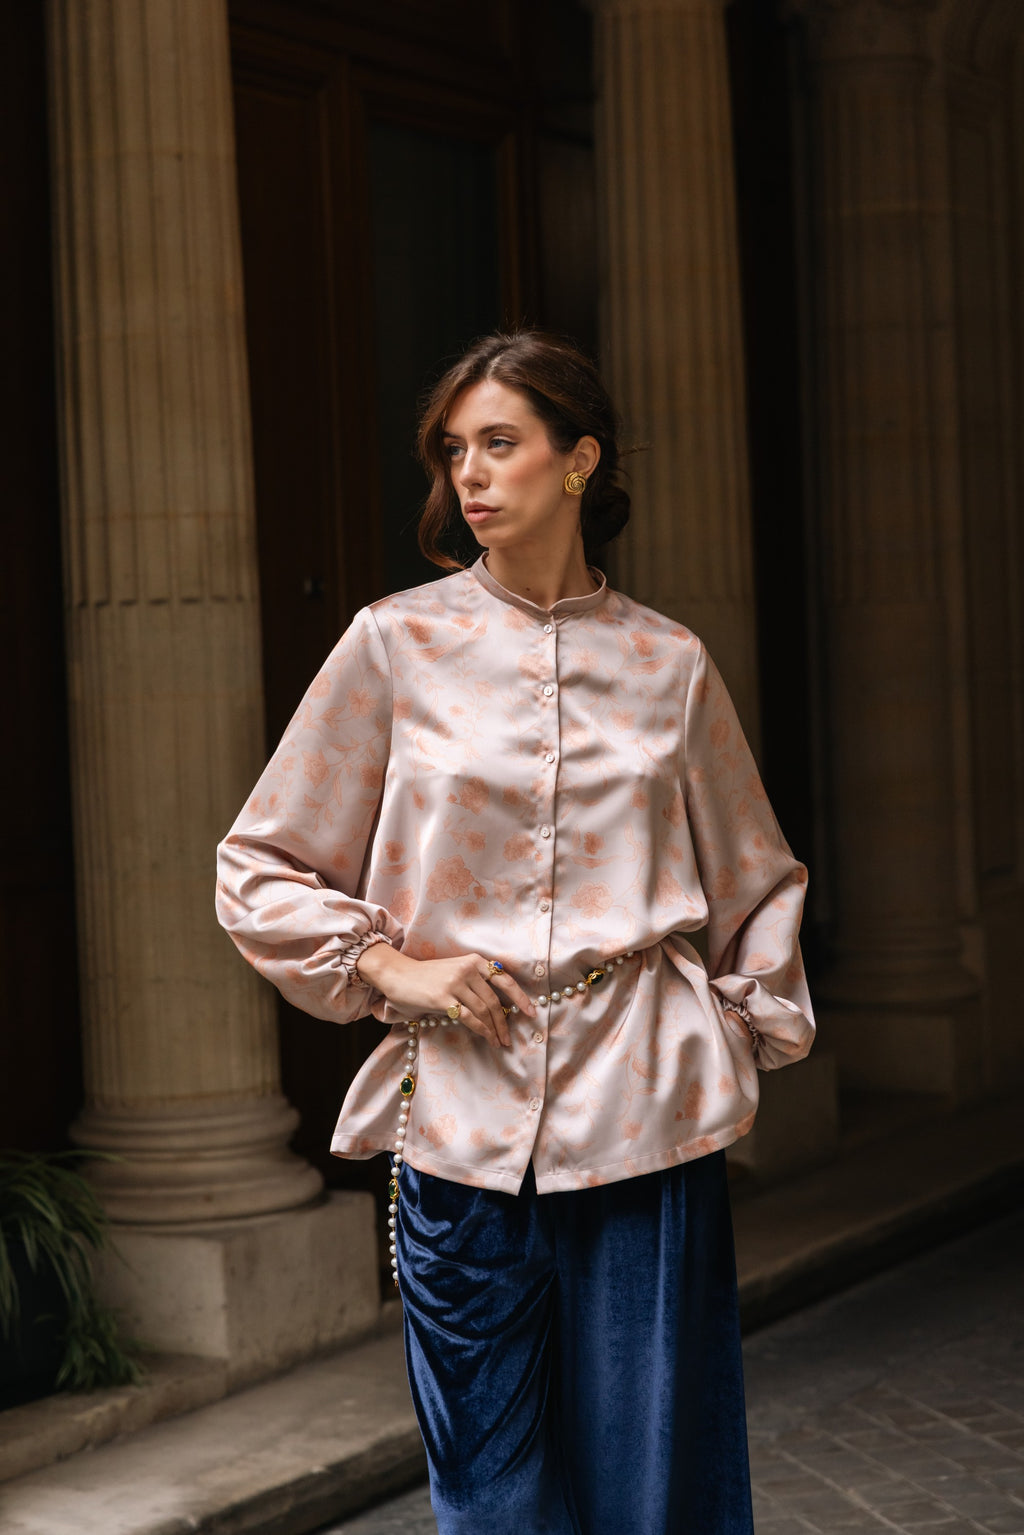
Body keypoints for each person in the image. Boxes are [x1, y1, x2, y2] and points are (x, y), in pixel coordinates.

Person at [215, 328, 815, 1534]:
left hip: (643, 1124)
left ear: (578, 459)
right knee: (491, 1496)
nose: (471, 475)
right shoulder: (394, 644)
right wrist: (390, 965)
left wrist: (730, 1038)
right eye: (454, 451)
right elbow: (258, 863)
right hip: (460, 1125)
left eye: (500, 443)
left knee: (653, 1491)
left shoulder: (668, 662)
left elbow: (756, 879)